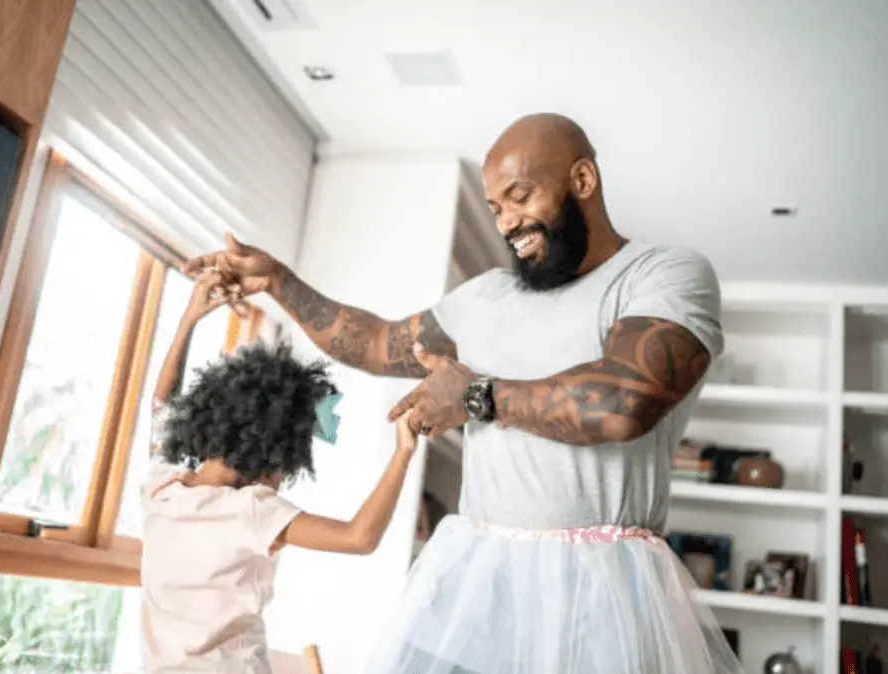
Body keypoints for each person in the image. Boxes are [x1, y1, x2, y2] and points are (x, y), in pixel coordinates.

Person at [185, 113, 743, 672]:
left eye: (520, 196)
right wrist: (280, 280)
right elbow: (376, 344)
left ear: (582, 181)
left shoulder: (663, 274)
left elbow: (625, 402)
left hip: (603, 596)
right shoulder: (485, 297)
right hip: (476, 581)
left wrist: (477, 396)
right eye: (496, 207)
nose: (507, 223)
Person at [140, 269, 420, 674]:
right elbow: (359, 538)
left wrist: (189, 318)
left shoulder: (162, 488)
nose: (283, 477)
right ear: (271, 452)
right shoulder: (251, 509)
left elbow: (162, 404)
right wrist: (403, 452)